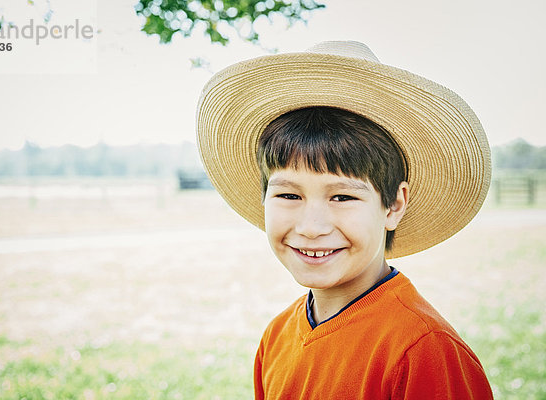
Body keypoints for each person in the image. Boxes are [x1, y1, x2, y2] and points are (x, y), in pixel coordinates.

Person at [196, 41, 494, 399]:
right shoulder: (275, 338)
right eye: (289, 195)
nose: (311, 226)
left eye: (343, 197)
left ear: (393, 205)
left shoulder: (423, 351)